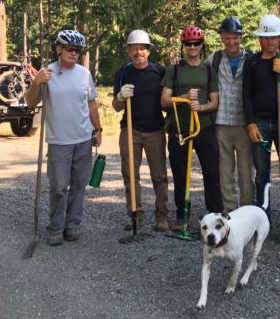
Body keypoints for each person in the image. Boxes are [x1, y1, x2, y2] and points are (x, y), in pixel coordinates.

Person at [25, 30, 101, 246]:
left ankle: (72, 225)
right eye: (69, 48)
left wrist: (98, 128)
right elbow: (30, 103)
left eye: (77, 50)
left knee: (79, 184)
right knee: (59, 186)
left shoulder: (84, 74)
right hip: (59, 140)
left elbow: (91, 103)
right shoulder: (46, 73)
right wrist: (36, 83)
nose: (74, 53)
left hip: (83, 138)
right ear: (59, 49)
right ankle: (55, 227)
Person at [161, 25, 223, 231]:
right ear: (183, 46)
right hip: (180, 130)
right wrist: (184, 98)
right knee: (180, 174)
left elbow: (215, 102)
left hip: (204, 128)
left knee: (211, 173)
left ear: (201, 45)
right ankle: (182, 215)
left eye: (196, 43)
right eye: (188, 44)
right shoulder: (174, 70)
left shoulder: (208, 70)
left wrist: (202, 106)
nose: (192, 47)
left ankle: (215, 215)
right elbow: (164, 101)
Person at [242, 14, 280, 230]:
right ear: (260, 40)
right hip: (261, 123)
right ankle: (263, 217)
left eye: (274, 37)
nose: (270, 42)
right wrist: (250, 123)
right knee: (262, 173)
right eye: (266, 38)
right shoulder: (253, 62)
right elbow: (246, 95)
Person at [112, 30, 169, 232]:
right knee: (130, 174)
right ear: (129, 51)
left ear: (149, 51)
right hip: (130, 130)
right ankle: (135, 214)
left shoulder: (159, 72)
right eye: (134, 48)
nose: (138, 52)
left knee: (159, 175)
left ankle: (161, 216)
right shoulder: (123, 73)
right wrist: (120, 96)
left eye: (142, 48)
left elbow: (166, 102)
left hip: (155, 130)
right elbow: (116, 106)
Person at [206, 17, 255, 212]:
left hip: (245, 123)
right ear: (222, 38)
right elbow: (198, 72)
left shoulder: (251, 59)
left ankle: (248, 210)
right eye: (227, 38)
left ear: (241, 37)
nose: (231, 42)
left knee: (246, 171)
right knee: (224, 170)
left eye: (235, 37)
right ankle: (230, 210)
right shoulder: (214, 59)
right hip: (221, 123)